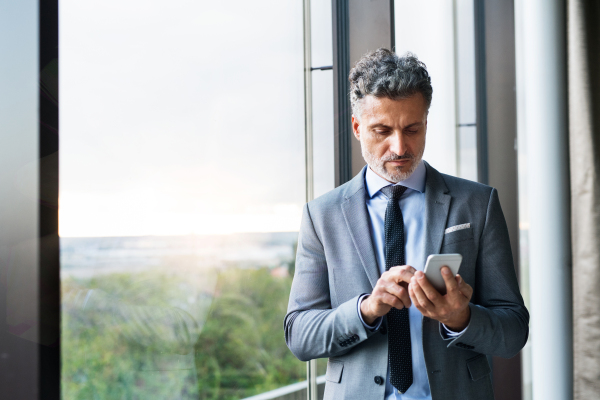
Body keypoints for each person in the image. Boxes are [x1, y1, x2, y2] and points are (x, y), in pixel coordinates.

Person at [284, 48, 529, 400]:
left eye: (412, 129)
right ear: (357, 127)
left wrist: (460, 318)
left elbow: (513, 331)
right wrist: (366, 309)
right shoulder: (322, 215)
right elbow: (299, 336)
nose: (399, 147)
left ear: (426, 123)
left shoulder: (477, 204)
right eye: (381, 130)